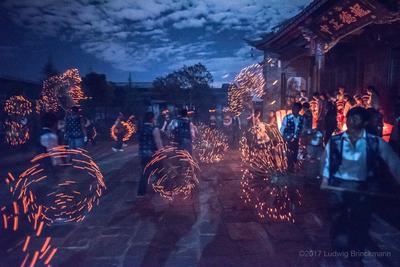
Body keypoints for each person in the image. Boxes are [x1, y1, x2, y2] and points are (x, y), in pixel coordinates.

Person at [321, 107, 400, 265]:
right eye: (349, 118)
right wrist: (324, 179)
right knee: (339, 225)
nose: (351, 121)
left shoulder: (375, 142)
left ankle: (355, 257)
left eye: (355, 118)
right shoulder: (335, 140)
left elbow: (394, 163)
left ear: (364, 122)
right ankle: (339, 254)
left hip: (363, 191)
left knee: (360, 225)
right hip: (338, 189)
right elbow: (326, 161)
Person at [138, 111, 163, 196]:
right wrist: (162, 153)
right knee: (160, 172)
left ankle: (141, 193)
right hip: (153, 155)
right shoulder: (154, 129)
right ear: (152, 119)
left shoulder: (141, 129)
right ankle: (161, 190)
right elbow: (158, 142)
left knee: (145, 174)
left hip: (143, 155)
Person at [280, 102, 304, 171]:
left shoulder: (302, 118)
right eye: (293, 107)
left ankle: (295, 168)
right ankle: (289, 168)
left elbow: (303, 128)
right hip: (289, 139)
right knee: (289, 154)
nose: (293, 109)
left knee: (296, 154)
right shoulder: (287, 117)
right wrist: (285, 137)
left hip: (297, 139)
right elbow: (282, 128)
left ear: (299, 109)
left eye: (295, 108)